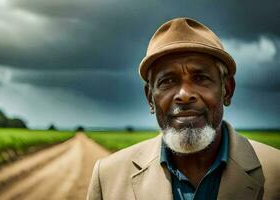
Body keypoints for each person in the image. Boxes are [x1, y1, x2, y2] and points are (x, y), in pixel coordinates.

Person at [87, 17, 280, 200]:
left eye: (200, 78)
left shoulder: (276, 170)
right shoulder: (107, 177)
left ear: (227, 91)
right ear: (150, 99)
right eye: (168, 81)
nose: (184, 94)